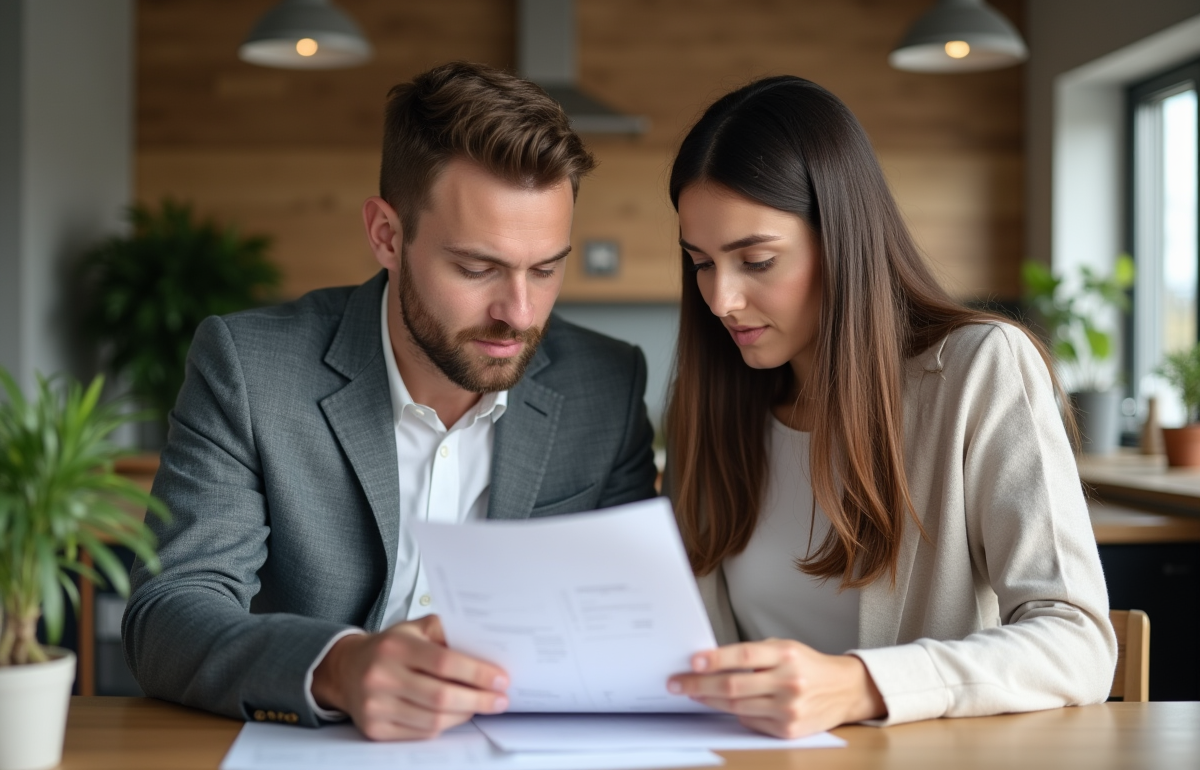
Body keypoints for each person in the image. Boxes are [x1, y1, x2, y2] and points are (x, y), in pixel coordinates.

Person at [123, 61, 658, 740]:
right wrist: (338, 666)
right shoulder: (251, 369)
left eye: (546, 269)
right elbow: (168, 612)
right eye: (476, 267)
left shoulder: (605, 386)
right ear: (386, 236)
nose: (518, 313)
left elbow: (631, 623)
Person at [661, 76, 1116, 737]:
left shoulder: (975, 369)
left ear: (841, 239)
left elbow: (1078, 644)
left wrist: (858, 686)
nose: (720, 299)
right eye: (700, 262)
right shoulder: (709, 405)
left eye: (756, 260)